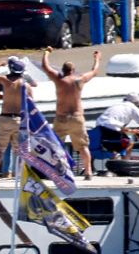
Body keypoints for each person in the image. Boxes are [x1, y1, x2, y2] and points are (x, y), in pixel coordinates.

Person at [41, 47, 101, 180]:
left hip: (61, 117)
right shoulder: (80, 80)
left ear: (63, 70)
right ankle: (88, 172)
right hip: (77, 117)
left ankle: (56, 170)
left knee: (55, 145)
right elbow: (94, 71)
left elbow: (45, 66)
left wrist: (46, 53)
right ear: (73, 70)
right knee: (83, 146)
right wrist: (97, 59)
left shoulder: (59, 80)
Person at [0, 56, 35, 179]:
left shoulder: (5, 81)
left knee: (0, 149)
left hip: (5, 118)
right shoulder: (26, 86)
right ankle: (21, 175)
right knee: (20, 150)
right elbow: (31, 105)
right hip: (19, 120)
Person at [93, 94, 139, 160]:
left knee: (113, 147)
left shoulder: (115, 105)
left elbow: (117, 126)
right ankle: (125, 164)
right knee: (129, 144)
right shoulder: (133, 107)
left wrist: (132, 131)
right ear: (136, 103)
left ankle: (114, 161)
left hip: (99, 129)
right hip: (112, 128)